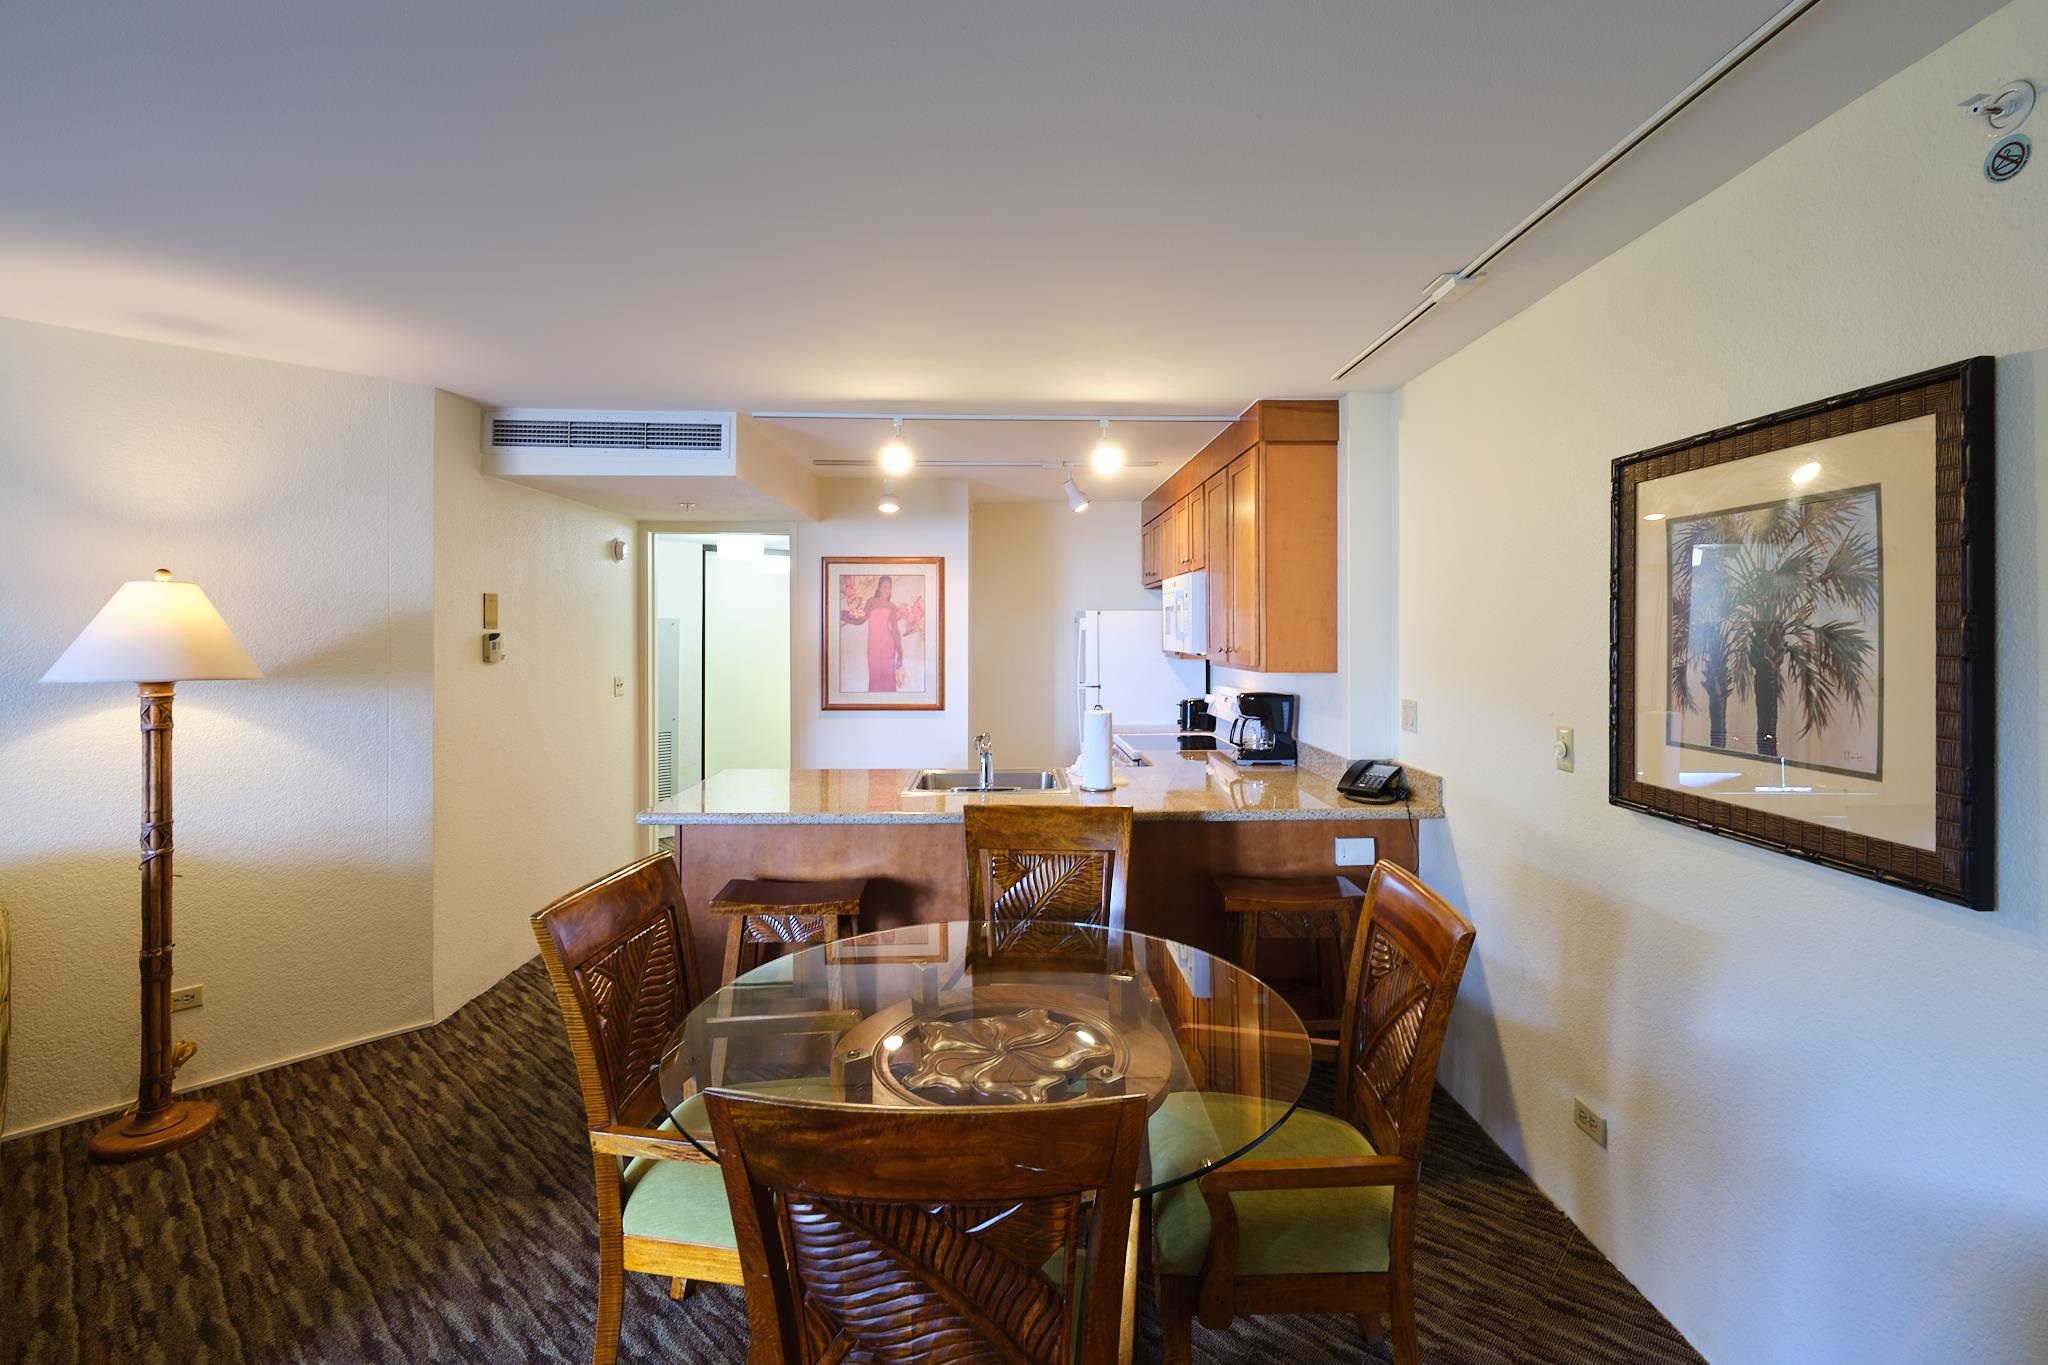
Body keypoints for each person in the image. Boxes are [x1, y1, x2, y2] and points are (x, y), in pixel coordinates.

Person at [843, 575, 903, 692]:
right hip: (873, 645)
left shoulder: (892, 606)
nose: (887, 590)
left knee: (888, 676)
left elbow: (895, 631)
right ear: (879, 588)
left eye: (889, 588)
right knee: (874, 676)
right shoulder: (871, 601)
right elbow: (861, 619)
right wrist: (846, 616)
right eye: (885, 587)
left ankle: (890, 704)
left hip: (888, 646)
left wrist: (900, 652)